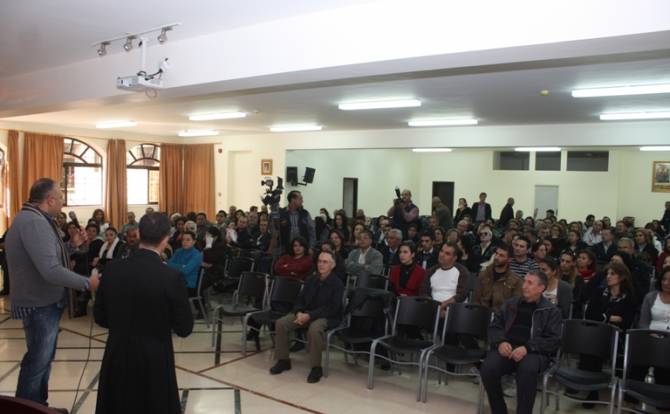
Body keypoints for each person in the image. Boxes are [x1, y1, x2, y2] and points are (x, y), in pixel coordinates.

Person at [6, 178, 100, 410]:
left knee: (43, 360)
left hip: (43, 301)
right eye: (60, 197)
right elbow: (50, 270)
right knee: (37, 362)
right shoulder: (34, 223)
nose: (62, 202)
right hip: (39, 303)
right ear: (49, 200)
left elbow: (46, 257)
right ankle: (28, 408)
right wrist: (86, 283)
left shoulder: (37, 219)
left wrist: (72, 245)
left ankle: (39, 406)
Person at [94, 212, 193, 414]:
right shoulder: (171, 277)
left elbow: (100, 317)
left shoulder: (112, 269)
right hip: (154, 358)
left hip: (117, 354)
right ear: (166, 238)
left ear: (139, 234)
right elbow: (184, 328)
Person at [480, 271, 562, 414]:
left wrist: (527, 348)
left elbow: (553, 340)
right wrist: (500, 342)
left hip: (534, 352)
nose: (524, 286)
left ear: (541, 288)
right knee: (488, 368)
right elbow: (495, 326)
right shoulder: (511, 304)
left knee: (527, 371)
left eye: (530, 283)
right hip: (508, 347)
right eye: (525, 281)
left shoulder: (551, 310)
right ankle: (499, 411)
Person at [270, 251, 344, 384]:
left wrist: (310, 315)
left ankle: (316, 368)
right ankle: (283, 360)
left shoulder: (337, 284)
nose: (321, 264)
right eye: (319, 261)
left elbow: (332, 308)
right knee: (281, 323)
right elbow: (300, 298)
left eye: (325, 262)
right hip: (305, 313)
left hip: (327, 316)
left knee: (314, 329)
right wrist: (299, 312)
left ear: (332, 265)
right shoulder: (311, 279)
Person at [419, 242, 471, 317]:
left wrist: (443, 306)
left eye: (447, 253)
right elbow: (423, 292)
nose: (442, 255)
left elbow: (461, 295)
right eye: (441, 251)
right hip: (432, 309)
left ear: (454, 258)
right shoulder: (431, 271)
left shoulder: (462, 271)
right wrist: (434, 308)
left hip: (454, 311)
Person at [473, 244, 523, 314]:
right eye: (496, 253)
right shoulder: (484, 274)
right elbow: (476, 298)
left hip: (501, 316)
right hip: (480, 313)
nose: (496, 257)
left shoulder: (516, 280)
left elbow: (514, 306)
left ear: (509, 259)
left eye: (501, 255)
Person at [167, 231, 203, 298]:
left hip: (188, 285)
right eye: (183, 240)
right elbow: (168, 264)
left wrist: (174, 266)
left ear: (194, 242)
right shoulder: (178, 251)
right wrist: (181, 266)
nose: (184, 242)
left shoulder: (197, 255)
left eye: (188, 240)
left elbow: (185, 271)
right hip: (175, 281)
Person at [638, 266, 670, 331]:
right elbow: (643, 323)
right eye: (663, 279)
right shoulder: (650, 297)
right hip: (651, 335)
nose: (666, 283)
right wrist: (649, 334)